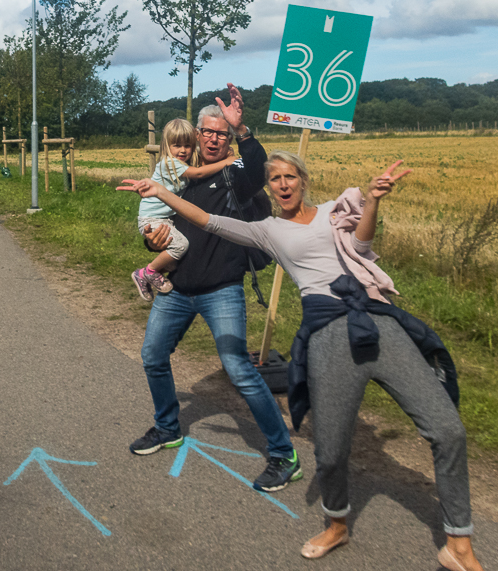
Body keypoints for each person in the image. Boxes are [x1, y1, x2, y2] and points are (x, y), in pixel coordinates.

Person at [119, 153, 484, 571]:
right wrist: (160, 191)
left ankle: (458, 544)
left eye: (290, 176)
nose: (283, 183)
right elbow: (207, 220)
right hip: (327, 334)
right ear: (270, 187)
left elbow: (362, 245)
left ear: (303, 180)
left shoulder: (333, 211)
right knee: (329, 451)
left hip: (378, 322)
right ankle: (337, 524)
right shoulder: (268, 230)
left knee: (448, 430)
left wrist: (375, 200)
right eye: (275, 178)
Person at [118, 84, 301, 492]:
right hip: (177, 288)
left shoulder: (236, 172)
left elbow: (257, 168)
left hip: (221, 288)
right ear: (197, 134)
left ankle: (283, 453)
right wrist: (152, 240)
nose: (215, 139)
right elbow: (155, 221)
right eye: (209, 132)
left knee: (238, 368)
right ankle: (168, 428)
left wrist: (245, 132)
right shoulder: (178, 173)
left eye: (223, 133)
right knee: (152, 356)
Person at [131, 118, 237, 300]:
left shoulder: (183, 158)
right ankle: (146, 272)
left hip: (163, 218)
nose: (183, 150)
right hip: (153, 219)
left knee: (174, 261)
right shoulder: (169, 163)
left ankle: (151, 274)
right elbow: (199, 173)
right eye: (177, 145)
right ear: (166, 145)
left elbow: (202, 154)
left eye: (188, 145)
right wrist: (229, 161)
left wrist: (225, 152)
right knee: (181, 246)